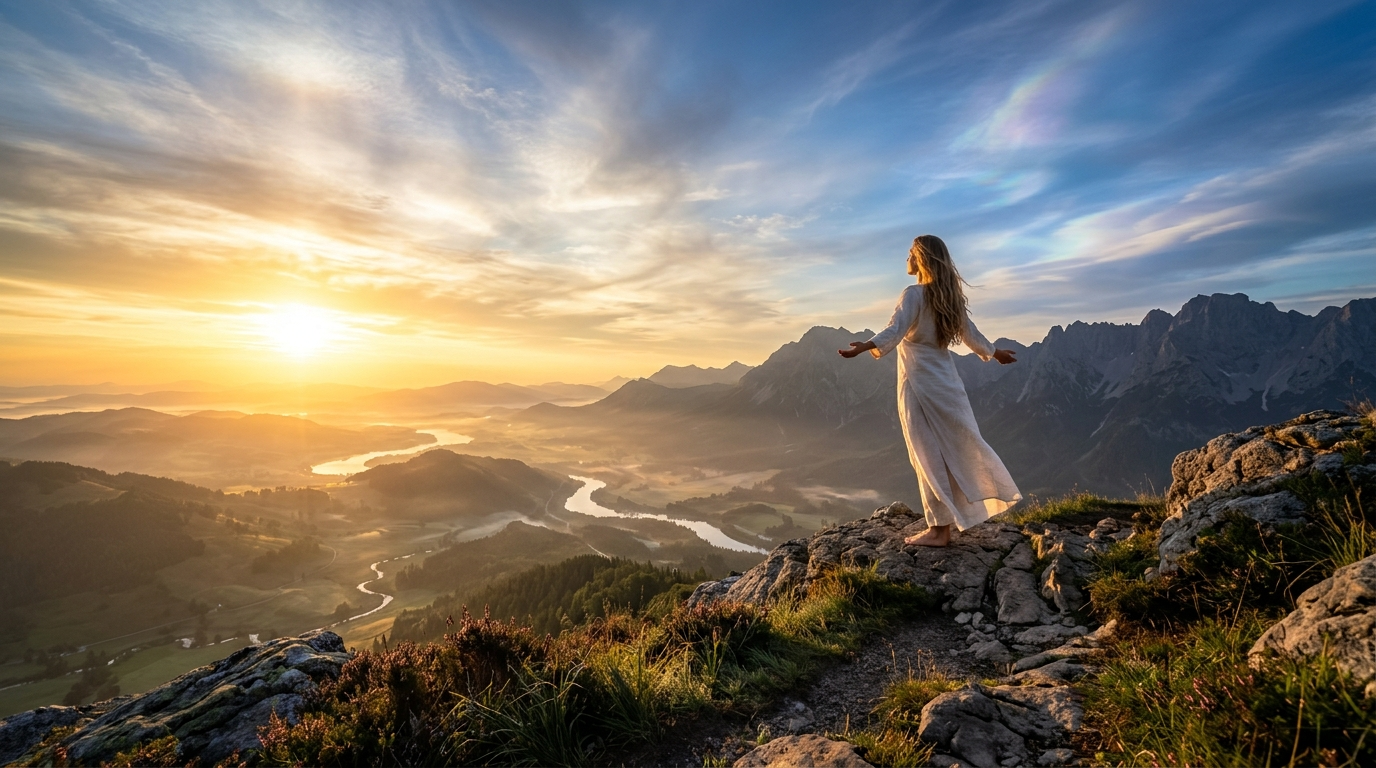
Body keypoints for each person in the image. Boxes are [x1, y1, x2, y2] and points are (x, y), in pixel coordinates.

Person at [838, 235, 1021, 547]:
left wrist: (865, 346)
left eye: (910, 253)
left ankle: (939, 530)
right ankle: (952, 518)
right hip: (948, 383)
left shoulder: (914, 294)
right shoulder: (948, 298)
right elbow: (970, 334)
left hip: (918, 383)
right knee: (957, 446)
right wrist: (993, 352)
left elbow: (895, 329)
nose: (906, 258)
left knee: (925, 455)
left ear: (921, 258)